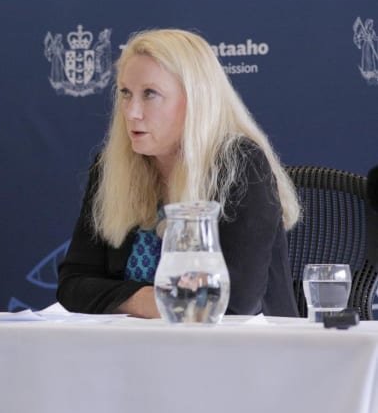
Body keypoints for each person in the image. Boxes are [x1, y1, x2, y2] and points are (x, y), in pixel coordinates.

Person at [57, 29, 300, 318]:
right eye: (125, 93)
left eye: (150, 94)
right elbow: (73, 285)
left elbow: (235, 301)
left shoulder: (240, 164)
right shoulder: (111, 169)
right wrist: (154, 300)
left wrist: (121, 298)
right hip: (135, 349)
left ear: (197, 99)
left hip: (243, 351)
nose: (132, 112)